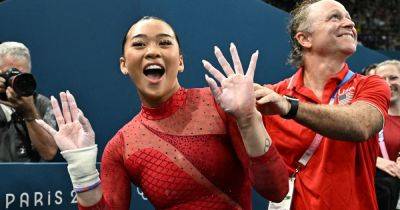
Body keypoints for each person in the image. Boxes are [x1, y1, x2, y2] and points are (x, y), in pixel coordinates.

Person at [36, 16, 289, 209]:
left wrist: (248, 120)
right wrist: (82, 170)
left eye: (164, 43)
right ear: (124, 65)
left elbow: (276, 191)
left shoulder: (221, 106)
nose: (152, 51)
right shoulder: (120, 147)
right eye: (139, 44)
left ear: (179, 61)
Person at [203, 0, 390, 209]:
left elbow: (362, 125)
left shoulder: (372, 85)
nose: (350, 24)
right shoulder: (269, 98)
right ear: (304, 38)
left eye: (349, 18)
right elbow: (269, 186)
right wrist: (245, 118)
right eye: (335, 17)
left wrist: (289, 107)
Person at [0, 41, 57, 161]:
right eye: (9, 74)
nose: (15, 80)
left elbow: (49, 153)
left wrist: (30, 113)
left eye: (21, 75)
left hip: (29, 176)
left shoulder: (42, 104)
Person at [373, 60, 400, 210]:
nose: (388, 83)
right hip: (380, 198)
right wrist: (375, 161)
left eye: (393, 78)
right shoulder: (368, 118)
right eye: (382, 80)